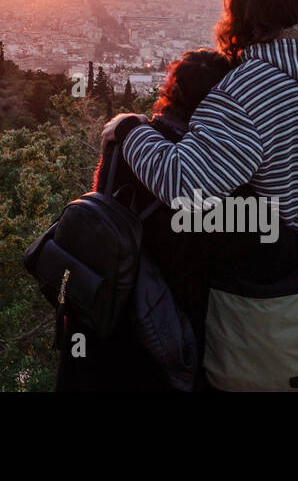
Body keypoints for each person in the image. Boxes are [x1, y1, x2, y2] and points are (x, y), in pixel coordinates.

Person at [100, 0, 298, 390]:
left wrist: (129, 130)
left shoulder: (247, 88)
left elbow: (184, 185)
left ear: (240, 14)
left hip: (242, 314)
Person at [56, 49, 232, 391]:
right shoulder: (216, 163)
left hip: (113, 299)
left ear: (172, 91)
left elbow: (102, 201)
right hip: (172, 316)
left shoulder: (132, 138)